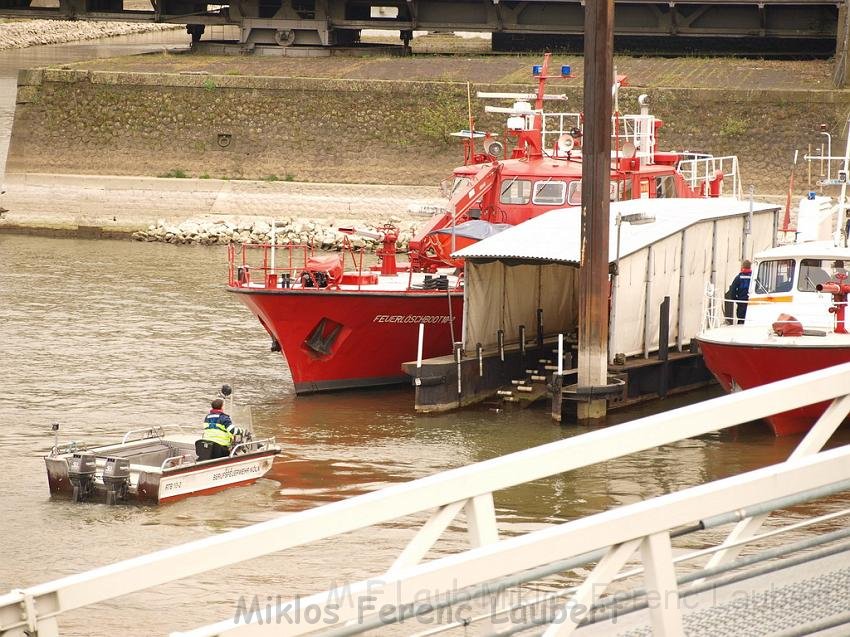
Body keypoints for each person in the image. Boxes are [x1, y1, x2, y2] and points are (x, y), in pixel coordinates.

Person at [725, 260, 752, 324]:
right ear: (750, 267)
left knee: (741, 320)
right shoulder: (754, 276)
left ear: (743, 266)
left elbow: (732, 291)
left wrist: (736, 300)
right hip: (751, 302)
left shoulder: (738, 277)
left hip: (741, 302)